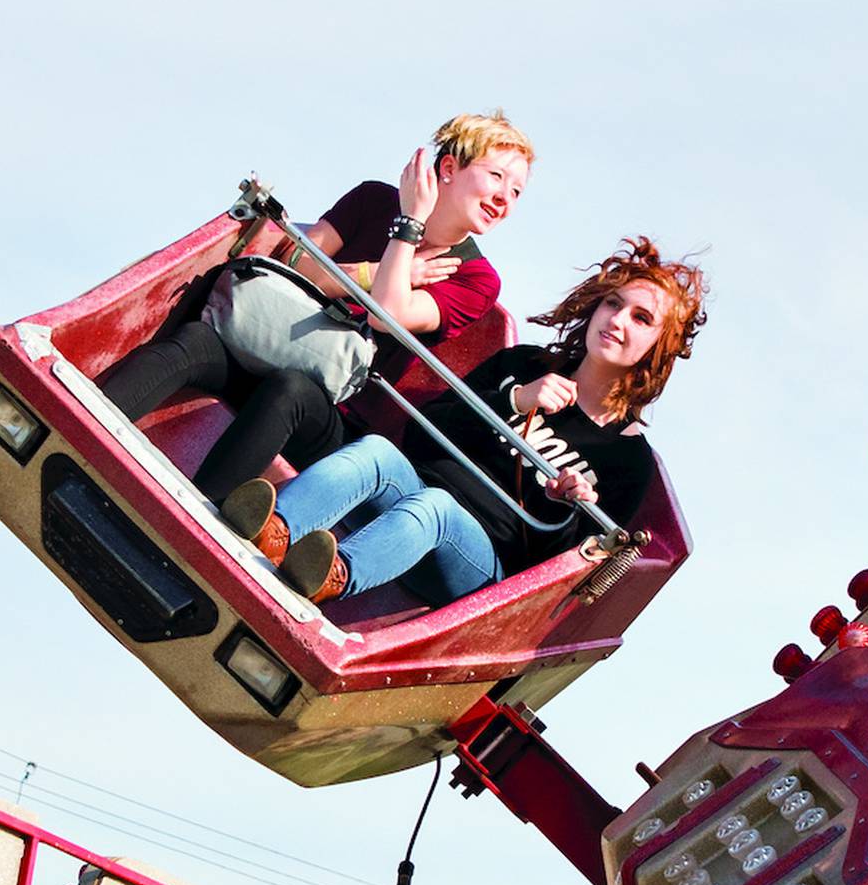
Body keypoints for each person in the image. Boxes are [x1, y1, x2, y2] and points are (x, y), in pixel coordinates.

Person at [219, 238, 707, 606]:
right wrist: (514, 400)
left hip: (477, 563)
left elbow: (555, 574)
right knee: (378, 452)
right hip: (409, 494)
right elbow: (424, 430)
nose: (618, 321)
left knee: (437, 506)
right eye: (614, 303)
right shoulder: (524, 365)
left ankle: (326, 574)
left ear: (658, 348)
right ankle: (271, 529)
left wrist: (569, 504)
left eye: (642, 319)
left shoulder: (627, 459)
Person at [97, 110, 534, 505]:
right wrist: (374, 269)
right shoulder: (372, 200)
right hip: (264, 340)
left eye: (516, 192)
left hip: (323, 402)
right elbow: (297, 264)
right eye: (496, 177)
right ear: (449, 168)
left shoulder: (477, 279)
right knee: (194, 340)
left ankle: (192, 515)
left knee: (288, 391)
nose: (505, 199)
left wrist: (410, 227)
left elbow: (387, 314)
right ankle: (90, 432)